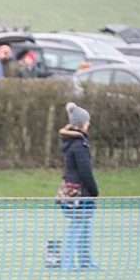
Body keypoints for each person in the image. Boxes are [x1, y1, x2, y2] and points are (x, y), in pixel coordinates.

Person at [57, 102, 99, 270]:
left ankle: (85, 260)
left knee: (85, 225)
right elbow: (85, 172)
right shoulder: (79, 145)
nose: (89, 123)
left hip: (71, 189)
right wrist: (94, 191)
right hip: (79, 192)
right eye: (87, 121)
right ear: (83, 123)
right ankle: (67, 262)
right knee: (77, 226)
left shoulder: (73, 142)